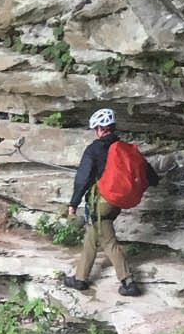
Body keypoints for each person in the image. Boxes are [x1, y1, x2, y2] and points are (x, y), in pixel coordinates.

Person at [61, 107, 158, 296]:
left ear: (99, 129)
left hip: (101, 203)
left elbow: (83, 179)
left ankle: (129, 282)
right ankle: (80, 278)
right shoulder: (126, 149)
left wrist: (73, 204)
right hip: (116, 203)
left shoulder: (94, 149)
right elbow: (150, 175)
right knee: (92, 234)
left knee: (109, 242)